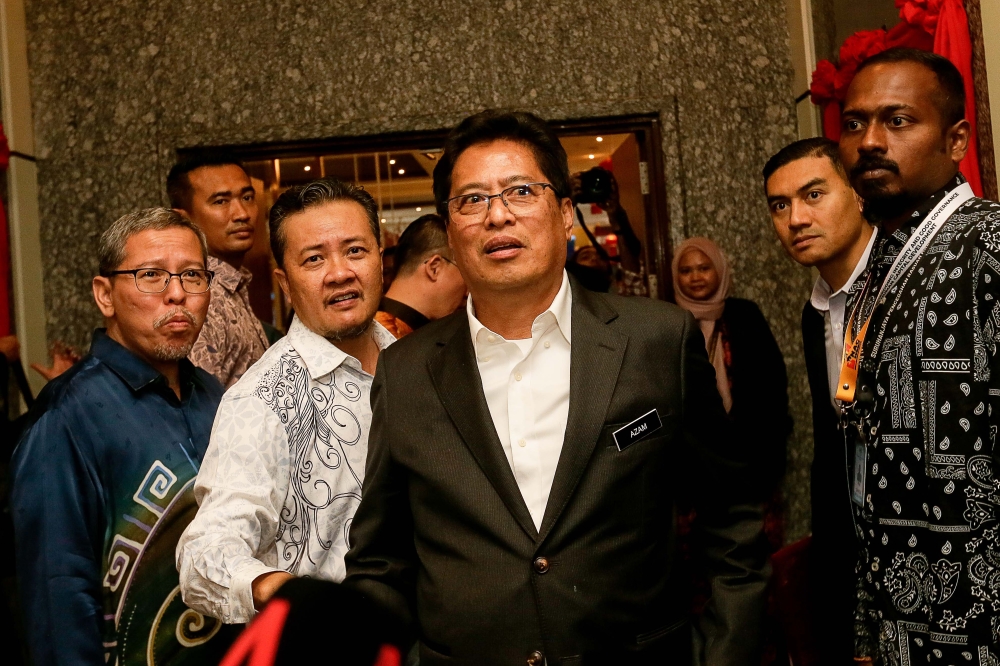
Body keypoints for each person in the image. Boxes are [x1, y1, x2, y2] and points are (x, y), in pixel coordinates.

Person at [344, 110, 768, 665]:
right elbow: (381, 559)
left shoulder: (656, 342)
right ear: (449, 234)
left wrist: (724, 654)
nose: (497, 215)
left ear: (565, 214)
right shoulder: (405, 372)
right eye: (471, 200)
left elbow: (731, 520)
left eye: (520, 191)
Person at [10, 208, 232, 665]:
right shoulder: (67, 415)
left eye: (193, 275)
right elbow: (58, 594)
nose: (177, 294)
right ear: (105, 295)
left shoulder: (214, 396)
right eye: (151, 275)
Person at [838, 48, 1000, 663]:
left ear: (956, 140)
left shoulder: (989, 242)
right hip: (900, 617)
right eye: (854, 124)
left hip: (981, 618)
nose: (870, 141)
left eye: (897, 121)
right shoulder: (877, 265)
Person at [177, 178, 395, 624]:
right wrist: (291, 598)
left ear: (379, 260)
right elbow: (204, 554)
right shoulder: (262, 399)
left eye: (355, 250)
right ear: (286, 283)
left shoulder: (416, 365)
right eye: (314, 259)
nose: (339, 272)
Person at [763, 136, 877, 663]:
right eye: (780, 205)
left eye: (813, 195)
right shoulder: (815, 313)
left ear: (857, 194)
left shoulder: (911, 285)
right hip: (850, 555)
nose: (796, 218)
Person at [672, 237, 791, 500]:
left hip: (750, 454)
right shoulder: (667, 320)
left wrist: (771, 446)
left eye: (704, 268)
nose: (695, 277)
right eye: (686, 270)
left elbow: (772, 383)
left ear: (720, 269)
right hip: (692, 464)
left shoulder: (745, 315)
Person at [168, 154, 269, 388]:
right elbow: (198, 410)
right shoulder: (197, 298)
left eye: (247, 197)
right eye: (221, 201)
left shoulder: (232, 285)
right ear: (183, 218)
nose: (242, 213)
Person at [376, 213, 466, 338]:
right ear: (434, 268)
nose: (467, 291)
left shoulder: (381, 325)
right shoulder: (386, 334)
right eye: (464, 271)